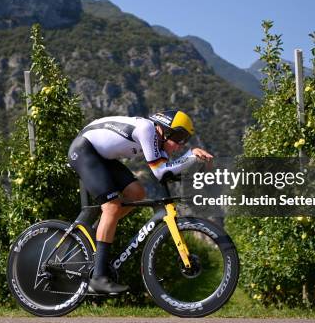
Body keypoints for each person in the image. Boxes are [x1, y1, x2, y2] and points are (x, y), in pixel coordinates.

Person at [68, 109, 213, 294]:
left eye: (184, 141)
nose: (179, 145)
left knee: (137, 193)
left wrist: (198, 171)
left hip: (101, 157)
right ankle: (98, 279)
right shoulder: (147, 129)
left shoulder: (158, 142)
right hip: (84, 151)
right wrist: (191, 155)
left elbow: (168, 172)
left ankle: (101, 230)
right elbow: (160, 171)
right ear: (165, 130)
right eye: (178, 138)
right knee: (111, 208)